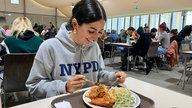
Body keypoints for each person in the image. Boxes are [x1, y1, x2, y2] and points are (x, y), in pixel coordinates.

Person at [26, 0, 126, 99]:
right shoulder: (49, 47)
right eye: (91, 31)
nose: (96, 38)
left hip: (91, 102)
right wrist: (64, 86)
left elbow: (98, 75)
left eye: (100, 32)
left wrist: (113, 76)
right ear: (75, 24)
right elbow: (34, 85)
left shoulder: (94, 46)